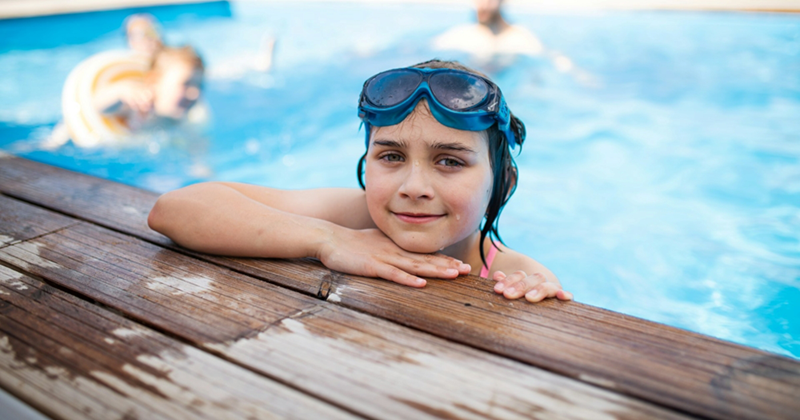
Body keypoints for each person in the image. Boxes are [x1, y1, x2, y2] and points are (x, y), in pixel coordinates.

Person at [148, 59, 572, 303]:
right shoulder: (350, 218)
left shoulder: (512, 272)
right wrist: (329, 240)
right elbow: (175, 209)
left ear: (503, 182)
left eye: (449, 161)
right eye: (391, 156)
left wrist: (533, 296)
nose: (413, 186)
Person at [47, 45, 205, 149]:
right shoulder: (137, 104)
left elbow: (195, 144)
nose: (195, 93)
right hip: (70, 136)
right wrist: (121, 91)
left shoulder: (177, 118)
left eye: (200, 85)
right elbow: (95, 106)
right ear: (154, 81)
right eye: (186, 84)